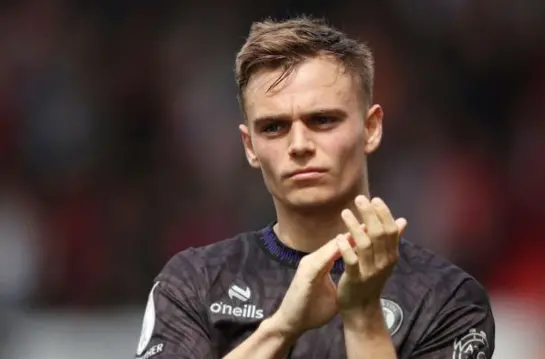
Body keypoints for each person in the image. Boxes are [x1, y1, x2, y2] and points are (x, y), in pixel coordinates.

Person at [134, 16, 495, 359]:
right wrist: (282, 328)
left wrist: (364, 316)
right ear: (249, 146)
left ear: (371, 128)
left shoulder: (447, 299)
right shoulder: (194, 282)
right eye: (274, 127)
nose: (300, 144)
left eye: (322, 120)